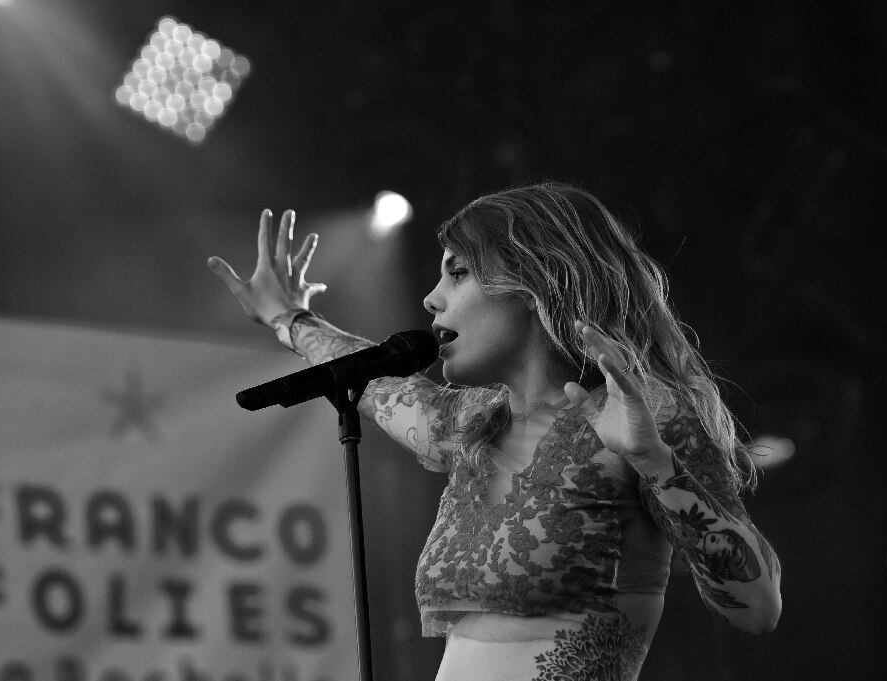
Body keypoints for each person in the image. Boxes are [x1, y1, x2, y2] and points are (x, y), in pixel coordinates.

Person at [207, 183, 782, 681]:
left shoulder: (642, 414)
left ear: (534, 286)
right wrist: (290, 319)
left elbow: (757, 610)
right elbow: (374, 381)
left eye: (458, 273)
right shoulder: (474, 424)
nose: (431, 298)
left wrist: (657, 464)